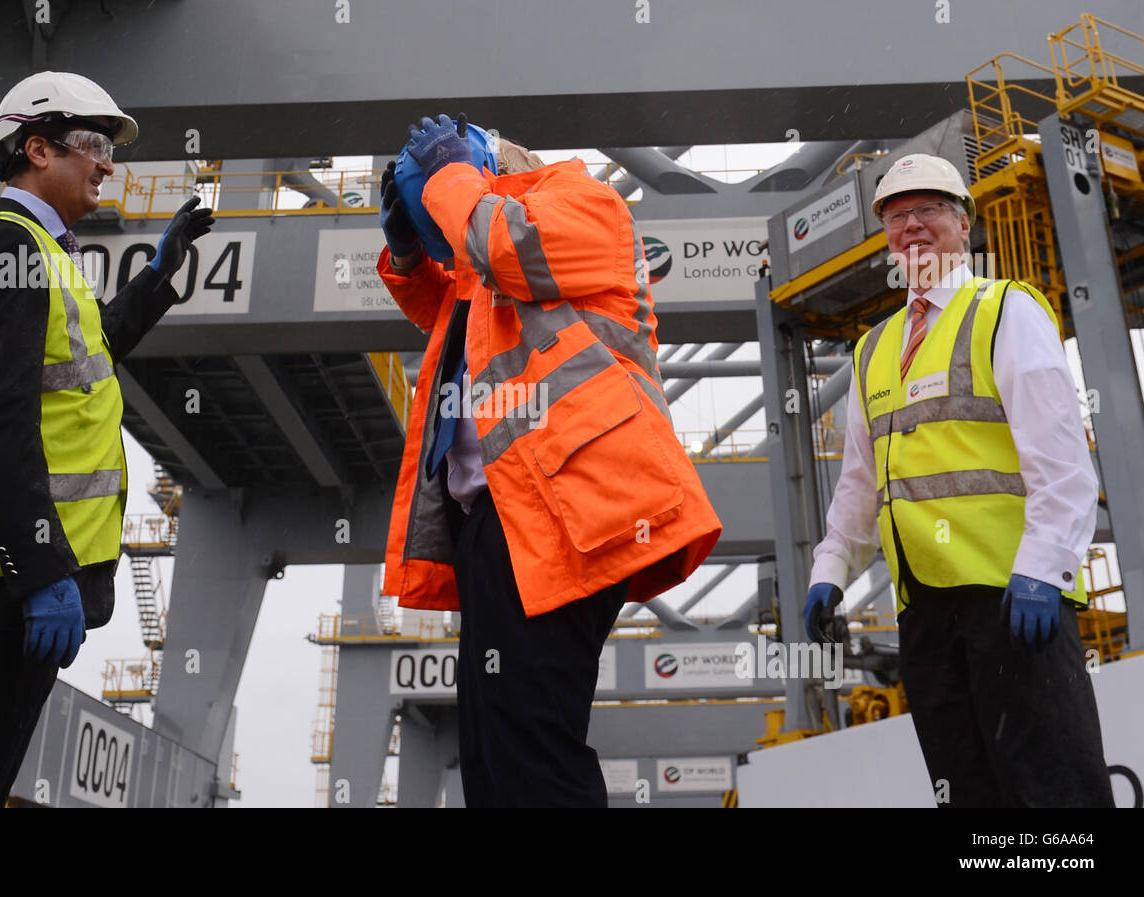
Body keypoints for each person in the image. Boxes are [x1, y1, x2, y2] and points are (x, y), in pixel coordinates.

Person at [0, 71, 213, 807]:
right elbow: (0, 420)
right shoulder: (8, 249)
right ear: (37, 149)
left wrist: (159, 275)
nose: (108, 163)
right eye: (94, 143)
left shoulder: (39, 254)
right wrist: (40, 571)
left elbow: (75, 373)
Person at [377, 114, 722, 807]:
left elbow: (507, 249)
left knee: (533, 742)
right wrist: (410, 255)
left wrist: (446, 178)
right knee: (492, 750)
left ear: (483, 169)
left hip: (562, 507)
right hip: (502, 520)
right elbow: (449, 306)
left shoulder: (585, 203)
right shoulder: (480, 252)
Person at [803, 153, 1113, 807]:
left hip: (1014, 600)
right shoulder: (872, 350)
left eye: (928, 210)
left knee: (1053, 790)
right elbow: (862, 481)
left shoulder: (1007, 312)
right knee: (967, 794)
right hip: (926, 616)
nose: (911, 226)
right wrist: (829, 569)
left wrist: (1045, 567)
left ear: (963, 223)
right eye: (896, 215)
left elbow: (1063, 465)